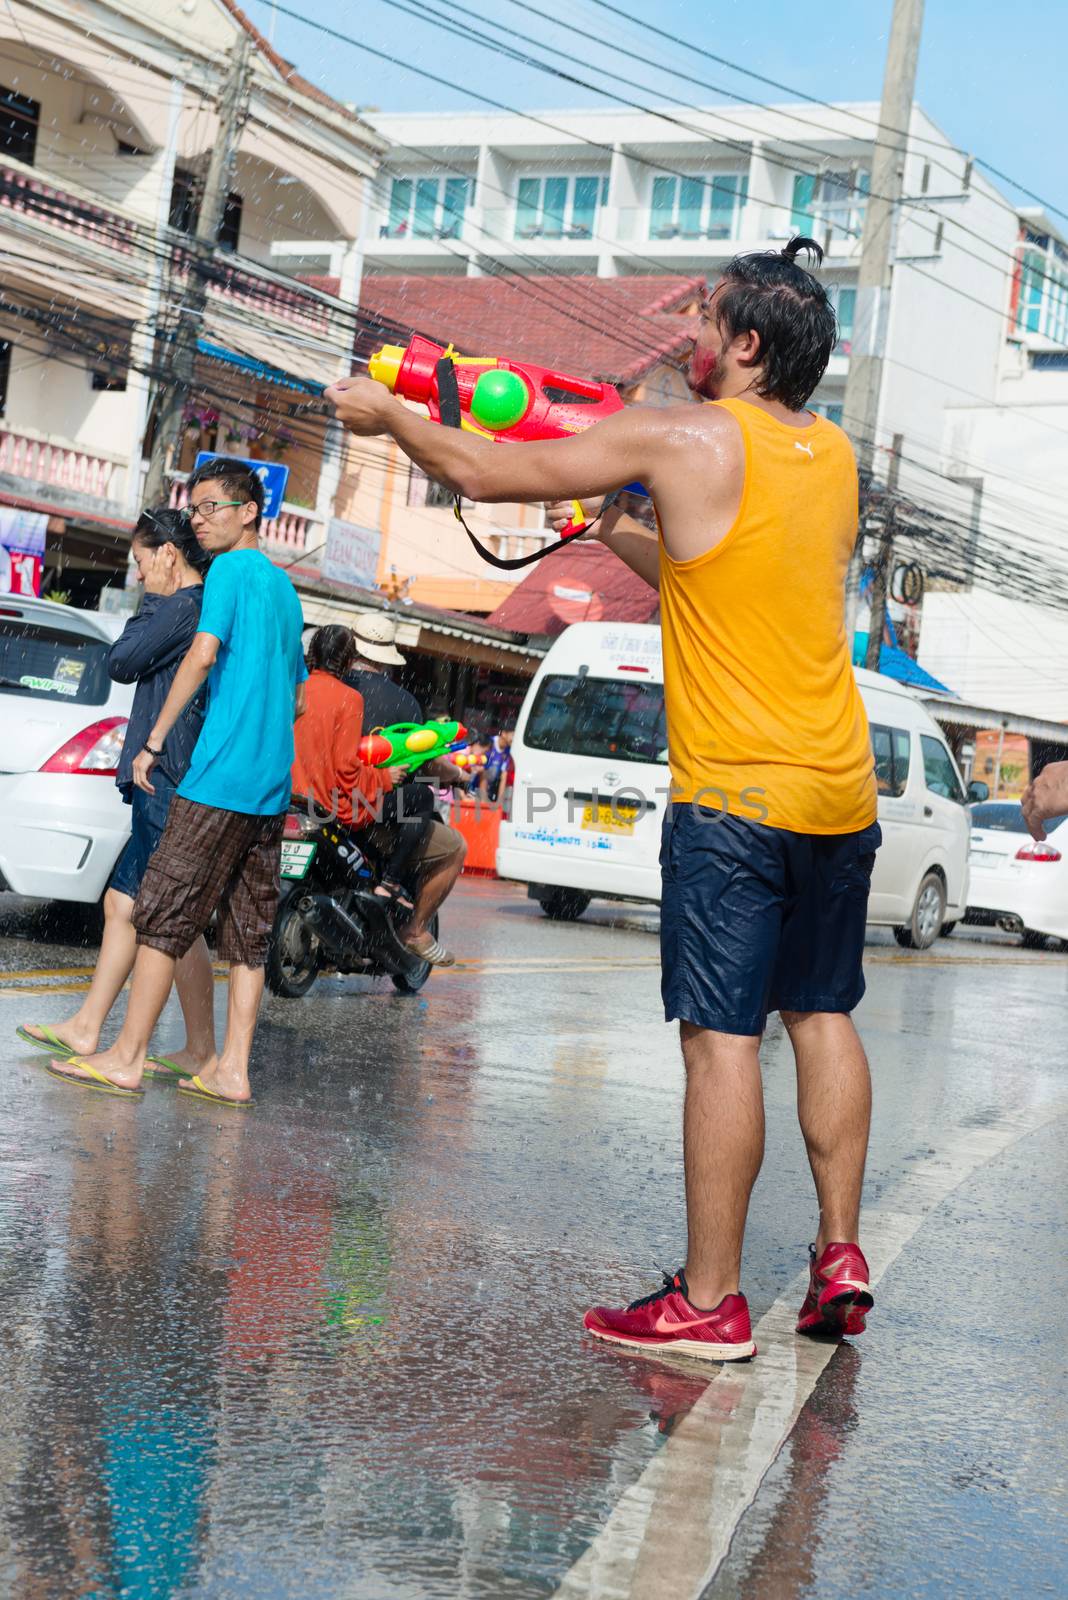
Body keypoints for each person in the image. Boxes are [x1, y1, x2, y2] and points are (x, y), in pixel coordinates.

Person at [326, 236, 880, 1360]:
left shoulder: (679, 433)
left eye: (707, 321)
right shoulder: (833, 457)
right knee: (821, 1013)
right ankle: (838, 1252)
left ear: (748, 345)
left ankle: (711, 1299)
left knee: (720, 1041)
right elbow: (711, 563)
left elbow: (483, 472)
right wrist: (619, 512)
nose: (688, 339)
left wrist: (391, 420)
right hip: (841, 789)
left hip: (737, 799)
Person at [45, 458, 307, 1106]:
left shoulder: (230, 573)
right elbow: (297, 694)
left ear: (250, 512)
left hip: (219, 776)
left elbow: (202, 653)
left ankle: (126, 1057)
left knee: (161, 909)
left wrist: (156, 741)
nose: (200, 519)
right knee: (247, 927)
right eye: (195, 508)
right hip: (273, 783)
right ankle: (231, 1070)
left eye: (213, 506)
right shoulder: (284, 588)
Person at [18, 508, 216, 1078]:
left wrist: (152, 603)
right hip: (166, 777)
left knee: (166, 919)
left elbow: (122, 661)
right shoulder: (188, 607)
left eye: (140, 563)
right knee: (125, 904)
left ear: (168, 556)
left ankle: (166, 1049)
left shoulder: (180, 607)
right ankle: (90, 1027)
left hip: (169, 777)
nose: (138, 577)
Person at [344, 612, 467, 965]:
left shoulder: (323, 686)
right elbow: (426, 762)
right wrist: (458, 776)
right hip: (372, 813)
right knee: (456, 845)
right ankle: (412, 926)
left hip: (318, 800)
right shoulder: (403, 703)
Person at [291, 624, 418, 910]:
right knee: (420, 799)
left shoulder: (295, 687)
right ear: (348, 660)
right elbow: (347, 770)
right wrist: (385, 777)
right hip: (326, 805)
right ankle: (389, 883)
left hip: (287, 799)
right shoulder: (350, 698)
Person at [478, 724, 515, 804]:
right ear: (503, 733)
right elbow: (482, 772)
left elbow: (503, 777)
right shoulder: (489, 744)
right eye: (513, 735)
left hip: (488, 792)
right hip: (476, 789)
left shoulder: (508, 751)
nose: (515, 739)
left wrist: (500, 803)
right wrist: (483, 800)